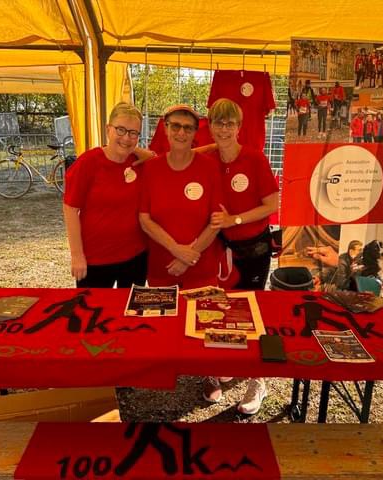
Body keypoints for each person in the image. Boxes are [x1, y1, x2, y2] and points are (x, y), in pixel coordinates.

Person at [204, 98, 279, 415]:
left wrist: (235, 220)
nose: (224, 128)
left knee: (252, 312)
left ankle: (257, 380)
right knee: (219, 308)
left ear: (239, 126)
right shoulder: (207, 157)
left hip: (253, 247)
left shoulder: (254, 158)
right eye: (218, 122)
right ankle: (221, 365)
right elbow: (173, 158)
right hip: (219, 248)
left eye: (229, 122)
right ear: (210, 126)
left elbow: (272, 204)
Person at [63, 102, 148, 288]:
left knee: (130, 313)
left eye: (133, 133)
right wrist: (77, 255)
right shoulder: (88, 163)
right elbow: (70, 209)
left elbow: (160, 159)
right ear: (108, 129)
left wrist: (137, 150)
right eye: (120, 130)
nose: (126, 137)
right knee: (93, 313)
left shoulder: (139, 162)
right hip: (95, 259)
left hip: (135, 257)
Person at [139, 104, 222, 289]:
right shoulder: (151, 168)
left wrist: (188, 257)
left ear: (195, 133)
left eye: (188, 127)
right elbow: (145, 220)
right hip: (162, 270)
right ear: (165, 128)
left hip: (202, 270)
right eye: (175, 126)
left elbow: (216, 222)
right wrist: (176, 249)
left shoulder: (209, 168)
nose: (181, 133)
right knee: (163, 319)